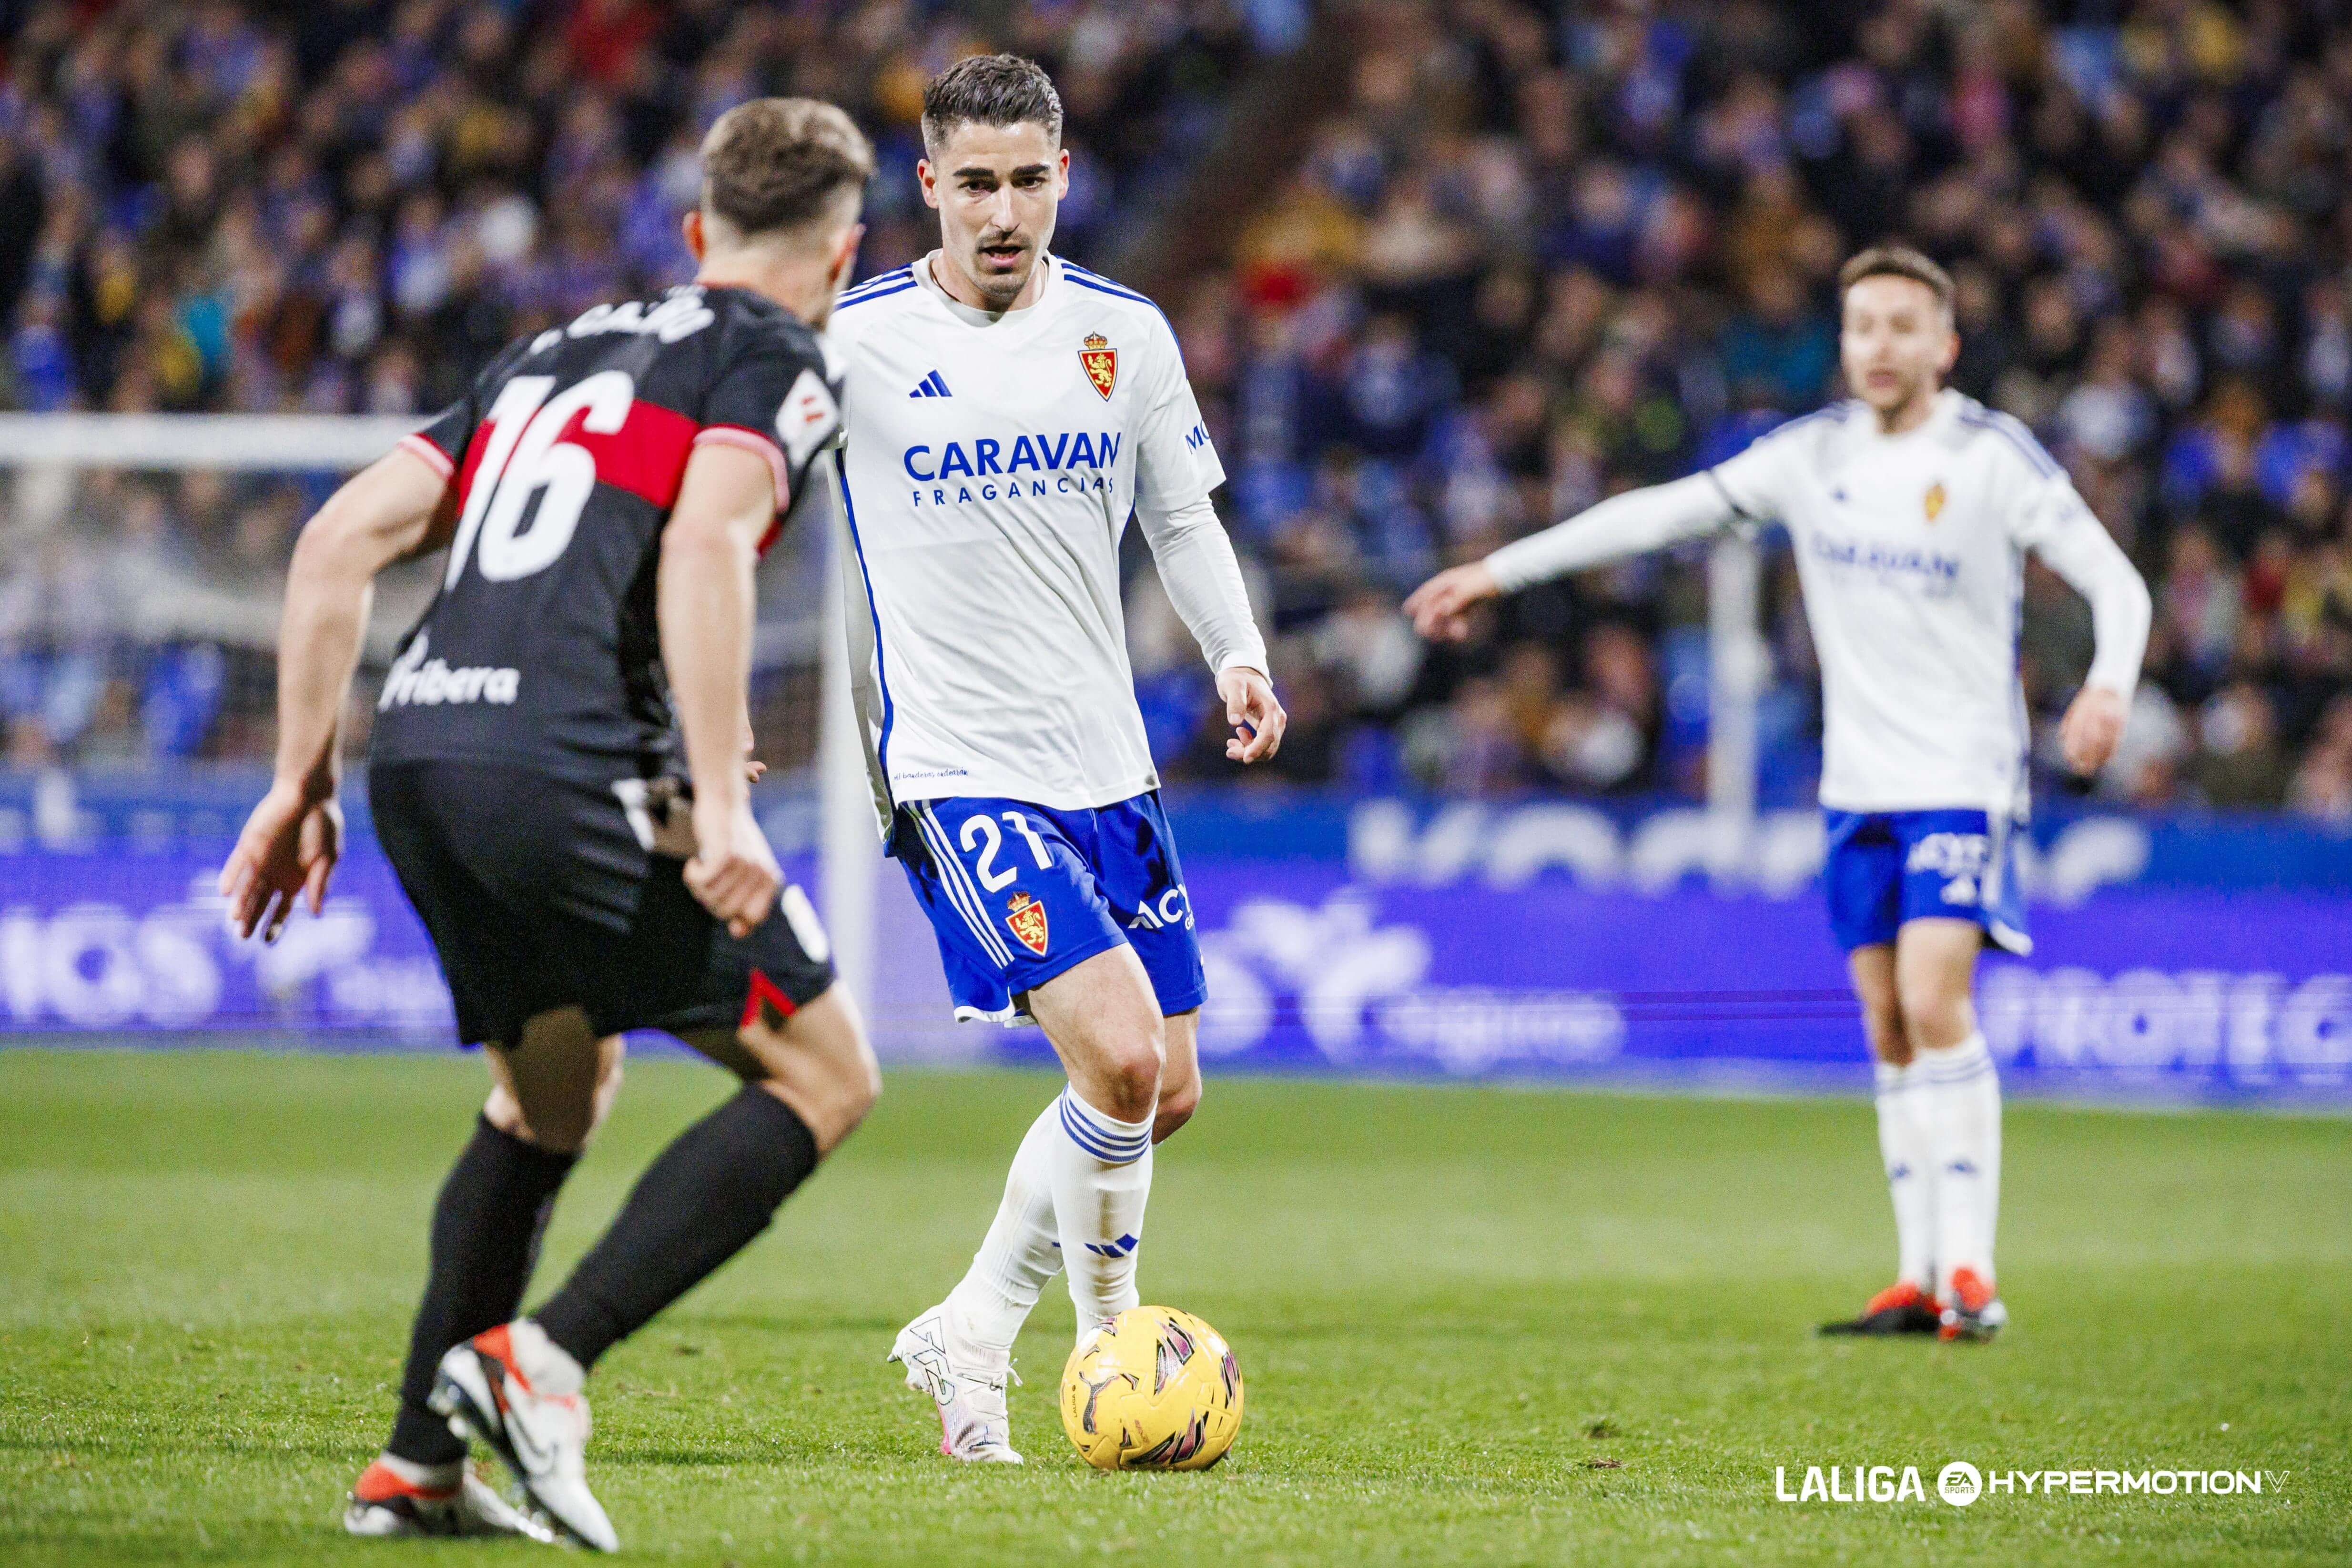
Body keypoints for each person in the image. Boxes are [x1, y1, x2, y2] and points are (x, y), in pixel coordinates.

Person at [217, 99, 881, 1550]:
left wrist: (297, 780)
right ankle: (545, 1358)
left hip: (420, 756)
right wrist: (721, 802)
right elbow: (707, 540)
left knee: (551, 1096)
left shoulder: (549, 354)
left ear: (698, 232)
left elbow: (336, 540)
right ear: (843, 254)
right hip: (567, 766)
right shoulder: (777, 356)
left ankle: (415, 1466)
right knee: (827, 1072)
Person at [1406, 246, 2152, 1345]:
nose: (1880, 345)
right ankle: (1914, 1275)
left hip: (1962, 775)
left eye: (1902, 326)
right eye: (1862, 326)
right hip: (1855, 783)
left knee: (1933, 997)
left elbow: (2115, 582)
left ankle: (1972, 1271)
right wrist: (1497, 569)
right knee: (1886, 1020)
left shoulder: (1989, 456)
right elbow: (1658, 514)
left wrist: (2107, 682)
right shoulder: (1811, 456)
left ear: (1943, 345)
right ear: (1842, 343)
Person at [824, 54, 1282, 1460]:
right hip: (957, 766)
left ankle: (970, 1321)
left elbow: (1182, 519)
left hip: (1106, 763)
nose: (1003, 211)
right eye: (975, 183)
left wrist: (1239, 653)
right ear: (928, 186)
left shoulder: (1122, 334)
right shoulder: (849, 345)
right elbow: (727, 507)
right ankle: (1099, 1345)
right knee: (1123, 1058)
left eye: (1028, 180)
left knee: (1164, 1087)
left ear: (1064, 177)